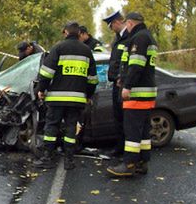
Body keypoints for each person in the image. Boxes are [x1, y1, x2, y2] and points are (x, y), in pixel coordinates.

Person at [34, 22, 98, 170]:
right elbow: (93, 79)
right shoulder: (87, 51)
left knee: (51, 127)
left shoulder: (58, 48)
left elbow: (46, 73)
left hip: (57, 98)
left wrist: (41, 89)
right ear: (79, 33)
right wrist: (88, 95)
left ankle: (47, 158)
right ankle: (69, 160)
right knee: (71, 129)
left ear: (66, 32)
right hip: (76, 100)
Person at [107, 12, 157, 177]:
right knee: (143, 132)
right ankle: (143, 162)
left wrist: (127, 85)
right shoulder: (148, 37)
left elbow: (136, 65)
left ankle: (128, 164)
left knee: (132, 131)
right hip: (147, 94)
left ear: (129, 23)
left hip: (137, 94)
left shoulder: (139, 38)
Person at [102, 10, 130, 157]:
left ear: (117, 22)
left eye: (111, 25)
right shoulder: (118, 39)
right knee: (118, 118)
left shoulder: (129, 37)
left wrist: (122, 78)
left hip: (124, 85)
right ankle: (119, 149)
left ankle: (125, 151)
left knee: (125, 120)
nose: (111, 29)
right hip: (116, 85)